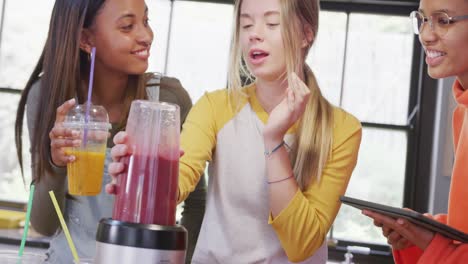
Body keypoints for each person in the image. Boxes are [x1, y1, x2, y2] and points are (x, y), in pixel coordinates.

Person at [108, 0, 362, 262]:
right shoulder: (215, 107)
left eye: (272, 23)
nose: (254, 34)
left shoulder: (342, 129)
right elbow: (177, 181)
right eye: (246, 24)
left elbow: (302, 244)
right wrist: (139, 178)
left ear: (306, 34)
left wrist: (273, 142)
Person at [14, 0, 205, 263]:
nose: (146, 36)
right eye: (127, 26)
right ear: (85, 38)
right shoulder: (49, 96)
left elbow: (197, 203)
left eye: (146, 22)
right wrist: (56, 164)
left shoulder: (167, 101)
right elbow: (45, 224)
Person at [362, 0, 468, 262]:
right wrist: (421, 228)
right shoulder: (463, 110)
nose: (425, 35)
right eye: (422, 20)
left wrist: (427, 240)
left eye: (443, 20)